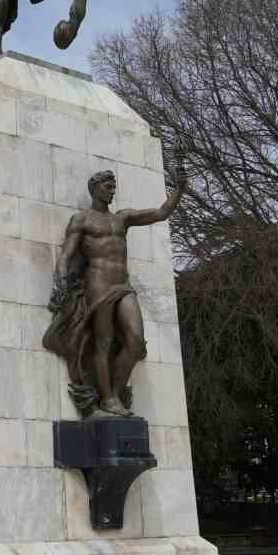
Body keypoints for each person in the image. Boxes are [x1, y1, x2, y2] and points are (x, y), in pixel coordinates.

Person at [43, 164, 185, 417]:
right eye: (107, 187)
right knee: (103, 343)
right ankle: (108, 399)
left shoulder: (122, 218)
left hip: (123, 285)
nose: (112, 191)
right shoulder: (82, 219)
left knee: (136, 342)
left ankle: (115, 392)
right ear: (94, 188)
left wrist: (180, 188)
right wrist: (60, 283)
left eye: (113, 187)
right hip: (98, 285)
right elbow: (66, 254)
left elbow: (161, 213)